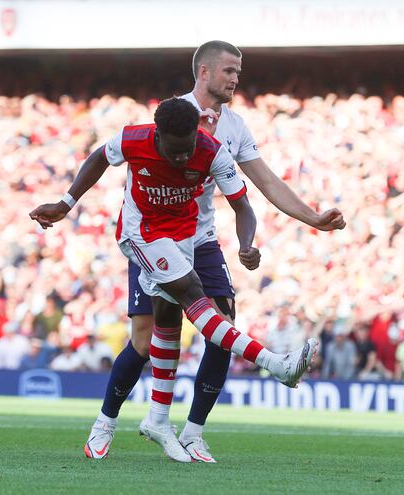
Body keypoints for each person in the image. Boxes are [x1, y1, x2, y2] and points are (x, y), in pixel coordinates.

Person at [82, 40, 345, 463]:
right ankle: (105, 422)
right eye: (229, 71)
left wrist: (311, 218)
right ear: (203, 72)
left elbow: (266, 182)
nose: (236, 78)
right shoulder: (173, 115)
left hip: (200, 237)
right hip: (150, 235)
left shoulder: (235, 128)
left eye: (239, 71)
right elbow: (114, 155)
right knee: (146, 340)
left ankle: (192, 433)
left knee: (220, 323)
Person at [29, 97, 318, 462]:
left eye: (188, 150)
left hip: (184, 237)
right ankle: (276, 364)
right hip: (141, 233)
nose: (183, 158)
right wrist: (67, 203)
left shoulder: (211, 152)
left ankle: (157, 420)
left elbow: (243, 206)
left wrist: (246, 244)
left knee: (167, 323)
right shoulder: (134, 140)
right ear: (158, 136)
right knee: (189, 295)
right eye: (175, 151)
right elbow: (100, 157)